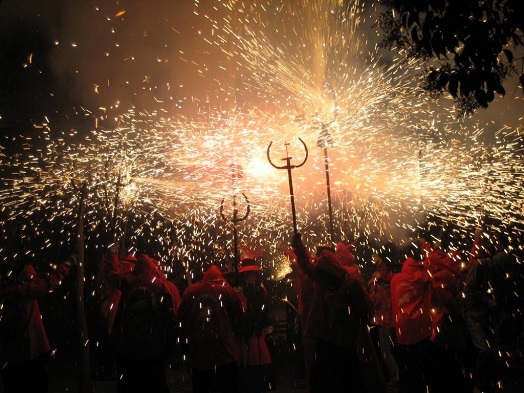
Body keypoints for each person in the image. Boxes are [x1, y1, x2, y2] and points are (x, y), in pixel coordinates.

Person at [292, 233, 372, 393]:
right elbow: (308, 268)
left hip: (346, 345)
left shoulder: (351, 284)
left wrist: (353, 322)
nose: (320, 278)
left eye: (323, 275)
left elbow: (367, 311)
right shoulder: (325, 279)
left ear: (332, 272)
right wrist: (299, 247)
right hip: (327, 342)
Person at [0, 255, 75, 393]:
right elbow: (50, 281)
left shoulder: (10, 290)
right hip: (31, 353)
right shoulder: (24, 290)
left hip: (11, 356)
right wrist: (68, 263)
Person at [109, 253, 180, 393]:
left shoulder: (126, 283)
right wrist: (171, 345)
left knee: (129, 386)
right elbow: (169, 317)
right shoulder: (162, 286)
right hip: (153, 347)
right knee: (155, 385)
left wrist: (114, 338)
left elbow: (119, 312)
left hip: (128, 346)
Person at [177, 265, 244, 393]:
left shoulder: (191, 291)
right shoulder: (227, 291)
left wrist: (184, 346)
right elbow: (239, 319)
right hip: (225, 354)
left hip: (199, 354)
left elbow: (180, 320)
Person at [390, 242, 432, 393]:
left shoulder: (395, 279)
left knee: (405, 371)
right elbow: (432, 266)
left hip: (401, 333)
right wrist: (426, 247)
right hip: (421, 333)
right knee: (420, 373)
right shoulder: (424, 278)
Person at [236, 258, 276, 393]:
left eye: (253, 274)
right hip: (247, 333)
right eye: (248, 275)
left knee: (260, 360)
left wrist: (265, 326)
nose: (250, 277)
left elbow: (264, 311)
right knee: (250, 361)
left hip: (257, 333)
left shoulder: (260, 291)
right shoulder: (241, 292)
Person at [368, 250, 399, 393]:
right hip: (392, 320)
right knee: (390, 350)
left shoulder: (380, 285)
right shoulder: (390, 280)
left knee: (386, 351)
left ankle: (395, 379)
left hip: (384, 321)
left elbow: (375, 302)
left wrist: (371, 286)